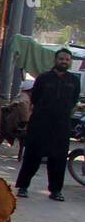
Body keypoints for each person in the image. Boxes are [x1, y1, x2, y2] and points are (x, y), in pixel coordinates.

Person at [15, 48, 82, 201]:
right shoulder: (44, 78)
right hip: (40, 123)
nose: (64, 61)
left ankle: (56, 191)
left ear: (70, 62)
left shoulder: (73, 81)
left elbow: (73, 100)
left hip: (62, 125)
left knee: (58, 159)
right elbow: (36, 98)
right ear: (55, 60)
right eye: (61, 59)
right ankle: (23, 187)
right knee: (33, 156)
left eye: (67, 59)